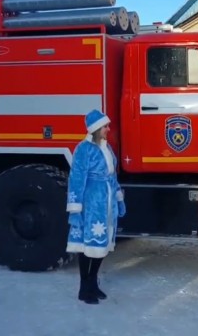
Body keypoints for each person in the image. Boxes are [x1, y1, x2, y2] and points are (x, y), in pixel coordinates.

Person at [66, 109, 127, 305]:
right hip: (92, 202)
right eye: (105, 127)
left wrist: (119, 198)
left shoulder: (106, 148)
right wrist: (76, 210)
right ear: (95, 129)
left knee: (102, 245)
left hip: (106, 203)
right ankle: (84, 288)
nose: (108, 129)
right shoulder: (84, 149)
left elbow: (112, 176)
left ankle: (93, 282)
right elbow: (76, 179)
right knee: (88, 246)